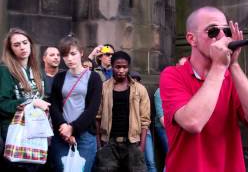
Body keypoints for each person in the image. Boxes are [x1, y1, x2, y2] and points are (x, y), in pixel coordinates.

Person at [159, 6, 248, 172]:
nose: (222, 37)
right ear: (192, 39)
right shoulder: (172, 75)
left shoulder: (230, 77)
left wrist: (234, 65)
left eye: (226, 31)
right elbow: (193, 122)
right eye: (212, 31)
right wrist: (219, 66)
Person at [49, 35, 102, 172]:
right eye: (65, 55)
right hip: (61, 135)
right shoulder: (59, 77)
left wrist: (72, 128)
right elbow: (54, 105)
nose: (69, 59)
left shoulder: (94, 78)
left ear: (81, 53)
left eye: (73, 53)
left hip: (84, 135)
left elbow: (92, 109)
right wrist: (63, 127)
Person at [0, 28, 51, 171]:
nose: (22, 47)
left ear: (30, 44)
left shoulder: (37, 71)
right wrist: (30, 102)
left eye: (25, 42)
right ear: (10, 49)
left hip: (36, 131)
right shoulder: (5, 70)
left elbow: (44, 98)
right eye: (16, 45)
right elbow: (2, 104)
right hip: (15, 131)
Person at [94, 51, 151, 172]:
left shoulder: (140, 89)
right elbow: (97, 117)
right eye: (117, 67)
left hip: (133, 143)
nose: (121, 70)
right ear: (112, 67)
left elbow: (145, 120)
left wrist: (141, 147)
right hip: (109, 143)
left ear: (128, 67)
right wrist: (99, 145)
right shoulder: (104, 88)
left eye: (124, 67)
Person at [131, 71, 157, 172]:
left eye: (137, 81)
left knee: (150, 161)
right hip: (132, 133)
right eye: (133, 81)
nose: (135, 83)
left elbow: (147, 116)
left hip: (145, 130)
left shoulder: (143, 93)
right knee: (135, 163)